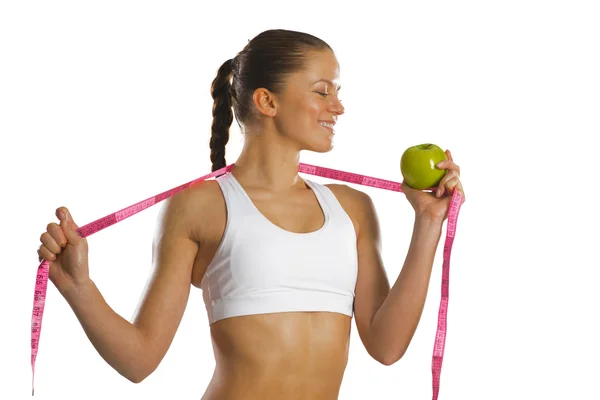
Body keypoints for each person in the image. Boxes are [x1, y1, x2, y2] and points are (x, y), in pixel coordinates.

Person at [37, 29, 466, 400]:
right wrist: (79, 287)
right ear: (267, 101)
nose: (338, 107)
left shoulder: (351, 208)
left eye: (337, 92)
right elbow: (140, 360)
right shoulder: (200, 206)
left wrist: (428, 222)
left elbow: (387, 347)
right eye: (322, 90)